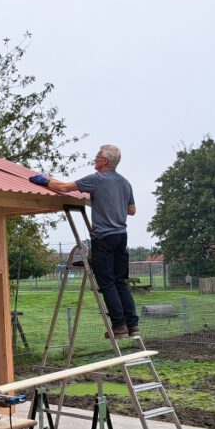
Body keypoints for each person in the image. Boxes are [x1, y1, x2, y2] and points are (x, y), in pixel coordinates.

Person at [30, 144, 140, 339]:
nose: (95, 159)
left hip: (103, 238)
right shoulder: (125, 183)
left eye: (97, 156)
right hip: (121, 237)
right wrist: (109, 204)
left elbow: (63, 188)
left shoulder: (96, 179)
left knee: (106, 282)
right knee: (120, 281)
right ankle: (132, 326)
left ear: (105, 161)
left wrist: (45, 181)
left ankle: (119, 326)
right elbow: (131, 210)